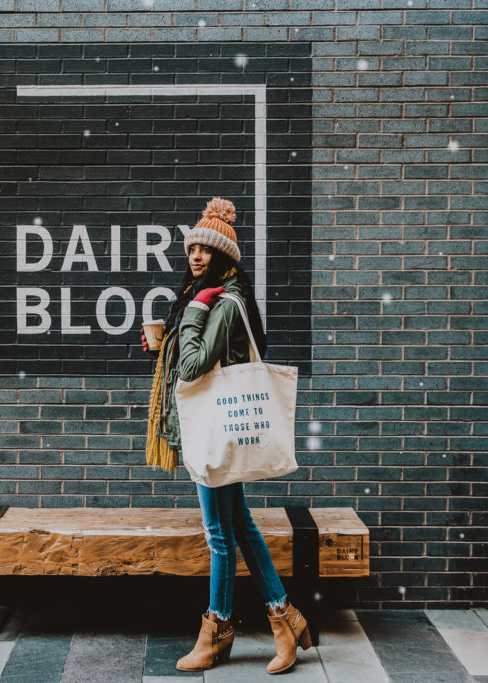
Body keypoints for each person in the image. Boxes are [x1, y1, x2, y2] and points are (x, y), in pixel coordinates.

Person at [142, 197, 311, 674]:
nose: (196, 256)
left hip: (215, 430)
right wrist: (164, 343)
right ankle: (286, 618)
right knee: (240, 526)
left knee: (219, 534)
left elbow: (195, 369)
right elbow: (187, 355)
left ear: (224, 257)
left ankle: (216, 630)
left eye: (205, 250)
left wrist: (193, 313)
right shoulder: (210, 295)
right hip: (217, 427)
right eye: (192, 247)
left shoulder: (222, 302)